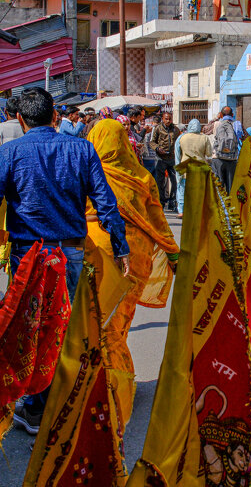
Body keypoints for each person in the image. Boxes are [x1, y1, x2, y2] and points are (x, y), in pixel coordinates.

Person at [0, 87, 129, 434]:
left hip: (28, 255)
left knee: (28, 331)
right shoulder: (82, 149)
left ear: (19, 119)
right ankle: (63, 403)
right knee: (66, 330)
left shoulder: (9, 153)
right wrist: (121, 248)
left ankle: (35, 405)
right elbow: (106, 202)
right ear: (56, 117)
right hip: (70, 253)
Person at [87, 118, 179, 427]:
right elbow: (158, 221)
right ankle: (117, 380)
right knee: (118, 324)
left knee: (99, 324)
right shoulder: (141, 176)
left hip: (96, 255)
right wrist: (175, 254)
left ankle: (106, 388)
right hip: (135, 260)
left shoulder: (87, 173)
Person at [174, 118, 212, 219]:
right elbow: (209, 154)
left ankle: (182, 211)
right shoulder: (204, 138)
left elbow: (177, 155)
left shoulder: (181, 138)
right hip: (200, 169)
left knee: (182, 190)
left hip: (185, 168)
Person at [151, 111, 179, 211]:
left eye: (169, 119)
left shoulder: (175, 129)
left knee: (175, 181)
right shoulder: (158, 128)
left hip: (172, 159)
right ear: (163, 119)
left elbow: (178, 142)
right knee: (160, 182)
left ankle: (172, 201)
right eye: (166, 119)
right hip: (160, 159)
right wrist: (158, 149)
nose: (168, 121)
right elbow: (152, 142)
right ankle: (161, 202)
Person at [212, 106, 240, 192]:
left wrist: (216, 118)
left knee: (218, 187)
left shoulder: (216, 124)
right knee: (231, 187)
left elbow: (205, 129)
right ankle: (230, 204)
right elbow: (244, 137)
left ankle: (220, 205)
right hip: (232, 159)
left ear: (221, 115)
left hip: (218, 158)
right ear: (232, 115)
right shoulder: (237, 125)